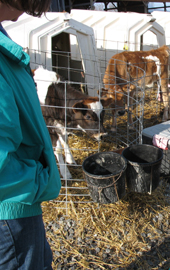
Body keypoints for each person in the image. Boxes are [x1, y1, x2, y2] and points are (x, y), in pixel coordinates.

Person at [0, 1, 61, 269]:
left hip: (18, 203)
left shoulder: (3, 36)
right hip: (10, 206)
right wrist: (36, 179)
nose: (31, 11)